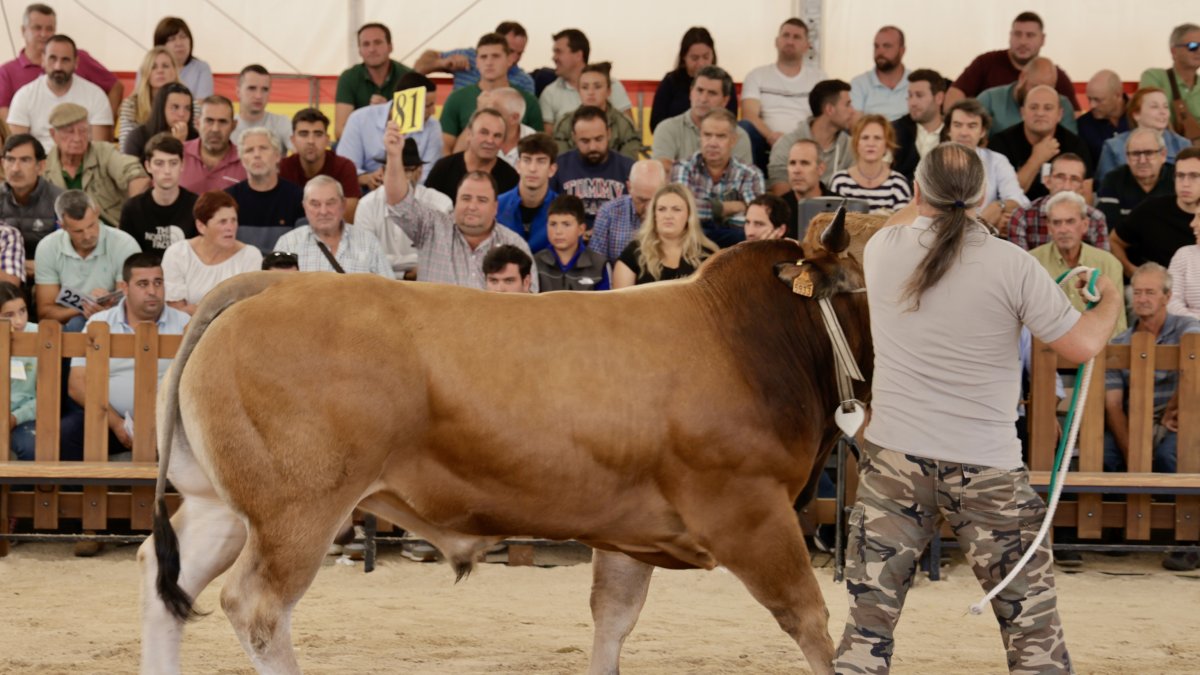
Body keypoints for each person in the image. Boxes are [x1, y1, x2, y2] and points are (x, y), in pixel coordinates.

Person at [836, 141, 1121, 674]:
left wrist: (926, 199)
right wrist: (1110, 301)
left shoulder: (884, 249)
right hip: (985, 466)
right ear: (984, 194)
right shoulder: (1011, 263)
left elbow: (908, 218)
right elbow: (1081, 346)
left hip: (896, 459)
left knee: (867, 623)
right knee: (1031, 628)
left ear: (918, 191)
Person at [1103, 262, 1200, 573]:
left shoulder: (1188, 329)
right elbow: (1113, 405)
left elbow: (1195, 363)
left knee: (1171, 453)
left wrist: (1175, 408)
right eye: (1138, 292)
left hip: (1179, 422)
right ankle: (1112, 530)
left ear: (1167, 296)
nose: (1142, 298)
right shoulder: (1119, 342)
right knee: (1103, 453)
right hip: (1134, 422)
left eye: (1150, 292)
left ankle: (1186, 541)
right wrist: (1132, 449)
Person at [62, 251, 190, 460]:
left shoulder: (184, 323)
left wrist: (162, 420)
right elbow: (77, 384)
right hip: (108, 420)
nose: (152, 291)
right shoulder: (100, 322)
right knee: (68, 432)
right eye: (142, 284)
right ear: (124, 287)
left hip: (169, 423)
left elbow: (198, 382)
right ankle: (85, 492)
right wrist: (116, 423)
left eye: (158, 283)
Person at [383, 121, 537, 290]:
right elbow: (399, 203)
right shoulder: (431, 228)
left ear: (495, 208)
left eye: (482, 200)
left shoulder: (515, 245)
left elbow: (530, 303)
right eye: (466, 198)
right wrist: (394, 155)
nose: (472, 206)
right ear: (455, 201)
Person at [34, 190, 140, 330]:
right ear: (62, 226)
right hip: (68, 326)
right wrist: (86, 307)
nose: (88, 235)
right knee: (75, 324)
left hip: (117, 322)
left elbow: (132, 302)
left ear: (97, 212)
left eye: (91, 225)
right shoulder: (48, 247)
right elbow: (45, 312)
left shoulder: (124, 244)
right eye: (78, 231)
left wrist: (107, 307)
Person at [0, 3, 122, 122]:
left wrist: (105, 126)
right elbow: (5, 119)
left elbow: (116, 87)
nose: (43, 34)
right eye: (37, 28)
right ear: (23, 30)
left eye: (49, 29)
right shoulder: (6, 72)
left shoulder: (79, 57)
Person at [1029, 190, 1126, 335]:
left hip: (1097, 351)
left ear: (1085, 224)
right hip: (1046, 350)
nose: (1063, 229)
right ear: (1049, 228)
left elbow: (1117, 324)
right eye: (1056, 222)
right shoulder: (1031, 262)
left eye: (1070, 221)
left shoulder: (1109, 263)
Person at [739, 18, 827, 171]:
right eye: (786, 35)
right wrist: (771, 136)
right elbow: (749, 115)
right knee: (744, 128)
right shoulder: (756, 75)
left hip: (806, 141)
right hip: (766, 142)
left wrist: (797, 140)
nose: (790, 41)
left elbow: (824, 118)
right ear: (776, 41)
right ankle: (751, 179)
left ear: (807, 46)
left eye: (797, 37)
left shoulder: (819, 78)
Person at [43, 102, 148, 226]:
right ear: (53, 134)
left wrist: (132, 216)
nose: (77, 138)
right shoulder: (44, 167)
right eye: (69, 132)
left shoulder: (104, 152)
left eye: (83, 131)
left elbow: (136, 175)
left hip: (111, 231)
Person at [353, 138, 445, 280]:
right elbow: (363, 257)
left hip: (426, 287)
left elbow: (440, 259)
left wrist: (386, 261)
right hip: (378, 286)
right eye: (394, 169)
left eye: (407, 170)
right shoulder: (366, 205)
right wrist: (406, 274)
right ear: (383, 172)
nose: (399, 176)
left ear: (419, 172)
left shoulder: (440, 204)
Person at [670, 108, 764, 245]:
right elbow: (682, 211)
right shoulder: (682, 168)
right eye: (707, 135)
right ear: (700, 136)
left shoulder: (750, 174)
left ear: (733, 140)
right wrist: (734, 207)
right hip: (691, 245)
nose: (712, 143)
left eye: (721, 136)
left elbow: (758, 221)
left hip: (737, 246)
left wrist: (701, 210)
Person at [944, 11, 1077, 107]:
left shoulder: (1053, 74)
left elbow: (1074, 114)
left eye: (1030, 35)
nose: (1023, 41)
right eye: (1017, 34)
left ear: (1042, 39)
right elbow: (955, 93)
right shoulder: (986, 62)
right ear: (1010, 36)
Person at [439, 33, 542, 155]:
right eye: (483, 57)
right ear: (476, 61)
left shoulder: (527, 101)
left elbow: (540, 149)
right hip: (467, 171)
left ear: (509, 60)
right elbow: (445, 149)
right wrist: (479, 113)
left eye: (496, 56)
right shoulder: (457, 98)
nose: (489, 62)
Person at [162, 190, 262, 314]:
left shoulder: (250, 256)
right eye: (223, 222)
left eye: (233, 220)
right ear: (201, 226)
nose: (230, 228)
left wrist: (195, 309)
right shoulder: (178, 253)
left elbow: (247, 310)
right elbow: (176, 311)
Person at [337, 71, 441, 189]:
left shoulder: (433, 125)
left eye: (433, 105)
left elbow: (428, 174)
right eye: (427, 106)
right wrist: (367, 178)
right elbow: (345, 167)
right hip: (366, 191)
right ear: (406, 102)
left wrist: (397, 182)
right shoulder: (360, 119)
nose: (433, 111)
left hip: (413, 192)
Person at [988, 85, 1092, 202]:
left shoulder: (1075, 145)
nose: (1040, 113)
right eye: (1033, 107)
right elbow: (1003, 195)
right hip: (1014, 214)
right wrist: (1036, 159)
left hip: (1061, 214)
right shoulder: (1001, 143)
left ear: (1059, 114)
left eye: (1048, 108)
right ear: (1022, 112)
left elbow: (1086, 195)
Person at [274, 175, 392, 277]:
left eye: (330, 203)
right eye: (315, 204)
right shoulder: (288, 243)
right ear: (304, 207)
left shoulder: (368, 242)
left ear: (343, 205)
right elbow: (275, 294)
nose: (323, 211)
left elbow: (390, 290)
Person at [6, 34, 113, 147]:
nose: (58, 67)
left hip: (83, 162)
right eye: (53, 59)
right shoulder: (24, 96)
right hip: (39, 162)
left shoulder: (96, 95)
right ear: (43, 59)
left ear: (76, 62)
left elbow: (100, 151)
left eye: (65, 60)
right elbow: (16, 148)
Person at [940, 99, 1028, 232]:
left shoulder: (997, 161)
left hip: (985, 235)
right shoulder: (934, 161)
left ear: (982, 132)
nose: (964, 133)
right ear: (948, 130)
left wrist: (999, 206)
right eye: (958, 125)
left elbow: (1019, 201)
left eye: (972, 126)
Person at [1112, 147, 1200, 276]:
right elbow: (1114, 241)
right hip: (1151, 289)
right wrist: (1132, 271)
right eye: (1180, 176)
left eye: (1194, 176)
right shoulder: (1151, 209)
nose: (1185, 183)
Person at [612, 183, 717, 288]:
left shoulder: (708, 256)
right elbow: (618, 302)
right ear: (654, 215)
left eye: (676, 209)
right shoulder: (633, 253)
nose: (668, 216)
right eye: (661, 209)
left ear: (689, 215)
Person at [651, 65, 752, 171]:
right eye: (699, 90)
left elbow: (742, 176)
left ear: (725, 101)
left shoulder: (739, 136)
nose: (703, 99)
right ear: (691, 93)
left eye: (712, 93)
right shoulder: (667, 128)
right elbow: (661, 170)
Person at [550, 106, 635, 227]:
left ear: (609, 133)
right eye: (585, 141)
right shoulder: (558, 167)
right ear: (574, 137)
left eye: (599, 139)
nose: (593, 147)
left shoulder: (628, 168)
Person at [767, 79, 854, 194]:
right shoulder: (786, 144)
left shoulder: (851, 147)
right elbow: (783, 197)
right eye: (847, 104)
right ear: (829, 109)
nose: (852, 111)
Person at [538, 28, 634, 131]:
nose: (554, 58)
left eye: (559, 52)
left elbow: (629, 131)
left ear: (578, 55)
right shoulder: (549, 94)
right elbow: (549, 143)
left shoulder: (612, 85)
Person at [225, 128, 304, 252]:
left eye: (263, 148)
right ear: (241, 160)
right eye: (249, 150)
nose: (256, 155)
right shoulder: (227, 199)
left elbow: (303, 246)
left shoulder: (298, 197)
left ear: (278, 156)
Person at [334, 23, 418, 139]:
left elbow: (414, 130)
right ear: (359, 51)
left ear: (390, 47)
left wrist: (388, 113)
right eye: (366, 44)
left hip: (400, 143)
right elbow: (340, 131)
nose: (372, 49)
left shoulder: (409, 76)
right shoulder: (348, 77)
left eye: (377, 42)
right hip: (360, 145)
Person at [1009, 153, 1108, 251]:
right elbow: (1019, 264)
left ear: (1082, 187)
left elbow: (1102, 263)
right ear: (1047, 181)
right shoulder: (1021, 216)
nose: (1066, 186)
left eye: (1074, 179)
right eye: (1060, 177)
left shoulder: (1096, 218)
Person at [119, 133, 198, 253]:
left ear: (182, 165)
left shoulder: (197, 207)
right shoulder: (132, 209)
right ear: (148, 166)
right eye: (159, 163)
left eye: (173, 163)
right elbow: (129, 259)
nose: (167, 171)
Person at [1095, 87, 1192, 184]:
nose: (1163, 112)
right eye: (1154, 107)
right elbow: (1104, 187)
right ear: (1136, 114)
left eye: (1166, 107)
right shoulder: (1114, 146)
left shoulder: (1183, 145)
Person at [649, 27, 738, 132]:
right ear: (684, 57)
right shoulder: (671, 81)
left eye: (706, 57)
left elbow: (731, 121)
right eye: (694, 58)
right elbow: (656, 124)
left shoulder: (723, 81)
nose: (701, 63)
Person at [279, 108, 361, 222]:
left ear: (328, 140)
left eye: (318, 134)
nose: (311, 141)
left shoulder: (344, 167)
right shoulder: (281, 168)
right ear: (293, 140)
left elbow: (349, 216)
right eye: (304, 134)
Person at [413, 21, 535, 95]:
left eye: (520, 54)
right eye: (510, 51)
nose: (514, 58)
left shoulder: (524, 81)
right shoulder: (466, 57)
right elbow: (418, 68)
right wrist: (443, 62)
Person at [425, 108, 518, 204]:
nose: (490, 140)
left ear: (503, 142)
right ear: (469, 134)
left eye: (497, 135)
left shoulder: (510, 178)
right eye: (484, 132)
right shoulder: (444, 168)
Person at [1097, 127, 1175, 235]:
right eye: (1135, 154)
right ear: (1127, 158)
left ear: (1163, 155)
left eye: (1149, 153)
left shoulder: (1178, 178)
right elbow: (1109, 231)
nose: (1142, 160)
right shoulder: (1113, 180)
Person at [0, 133, 61, 272]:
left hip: (48, 279)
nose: (15, 168)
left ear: (41, 166)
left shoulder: (59, 201)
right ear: (3, 163)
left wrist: (17, 265)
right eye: (10, 159)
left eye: (25, 160)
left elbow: (67, 257)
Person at [553, 64, 640, 160]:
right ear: (579, 91)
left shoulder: (623, 124)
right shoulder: (565, 123)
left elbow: (629, 165)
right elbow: (561, 163)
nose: (590, 92)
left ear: (608, 91)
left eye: (597, 87)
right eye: (585, 87)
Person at [828, 114, 912, 213]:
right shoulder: (840, 182)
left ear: (887, 144)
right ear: (856, 143)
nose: (871, 144)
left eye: (877, 138)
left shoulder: (898, 184)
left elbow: (902, 225)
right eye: (865, 137)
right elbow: (831, 222)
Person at [588, 159, 667, 264]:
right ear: (629, 187)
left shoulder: (676, 214)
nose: (648, 208)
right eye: (642, 200)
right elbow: (596, 265)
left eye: (654, 199)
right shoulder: (608, 212)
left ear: (665, 187)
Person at [977, 57, 1078, 136]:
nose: (1040, 95)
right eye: (1036, 86)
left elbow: (1070, 146)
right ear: (1022, 77)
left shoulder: (1062, 104)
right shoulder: (990, 99)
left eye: (1048, 89)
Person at [495, 133, 558, 253]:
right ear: (518, 165)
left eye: (541, 161)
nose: (532, 168)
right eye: (527, 160)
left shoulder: (564, 210)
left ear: (552, 169)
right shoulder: (496, 206)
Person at [534, 194, 608, 291]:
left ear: (581, 229)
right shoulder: (535, 263)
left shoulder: (599, 265)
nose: (558, 231)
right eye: (553, 224)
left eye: (566, 224)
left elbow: (606, 304)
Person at [1139, 23, 1200, 137]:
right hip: (1164, 148)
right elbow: (1150, 120)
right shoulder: (1155, 77)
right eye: (1193, 46)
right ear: (1174, 52)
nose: (1198, 51)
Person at [117, 46, 180, 151]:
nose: (160, 71)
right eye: (153, 67)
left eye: (165, 66)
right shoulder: (131, 105)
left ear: (174, 71)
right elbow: (126, 150)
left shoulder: (190, 104)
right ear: (145, 73)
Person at [180, 95, 246, 194]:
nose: (215, 129)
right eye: (209, 121)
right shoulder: (178, 153)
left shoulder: (247, 161)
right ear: (197, 123)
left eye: (223, 122)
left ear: (233, 126)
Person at [1, 281, 37, 460]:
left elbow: (48, 397)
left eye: (22, 310)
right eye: (8, 315)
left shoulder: (41, 336)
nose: (19, 321)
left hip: (26, 416)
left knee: (30, 446)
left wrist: (15, 417)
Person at [890, 68, 946, 181]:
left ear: (939, 98)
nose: (912, 103)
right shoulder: (893, 131)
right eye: (910, 96)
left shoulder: (954, 133)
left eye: (919, 96)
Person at [121, 81, 196, 161]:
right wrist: (177, 144)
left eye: (187, 108)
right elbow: (130, 172)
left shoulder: (195, 138)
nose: (182, 114)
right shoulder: (137, 137)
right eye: (175, 107)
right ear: (161, 109)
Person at [849, 26, 909, 121]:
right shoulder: (859, 84)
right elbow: (855, 126)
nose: (880, 51)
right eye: (876, 46)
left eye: (887, 46)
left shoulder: (915, 83)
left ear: (902, 50)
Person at [230, 65, 293, 153]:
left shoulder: (281, 122)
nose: (258, 96)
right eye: (252, 88)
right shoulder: (227, 126)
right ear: (238, 92)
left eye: (265, 89)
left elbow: (302, 155)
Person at [150, 17, 213, 100]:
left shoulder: (201, 68)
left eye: (183, 37)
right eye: (172, 39)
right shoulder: (148, 67)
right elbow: (141, 99)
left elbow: (203, 104)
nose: (179, 43)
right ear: (160, 45)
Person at [779, 138, 832, 238]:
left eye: (804, 163)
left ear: (820, 169)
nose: (796, 170)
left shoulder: (839, 207)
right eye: (792, 163)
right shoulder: (777, 208)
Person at [1076, 70, 1129, 163]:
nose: (1092, 105)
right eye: (1089, 99)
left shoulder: (1141, 116)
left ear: (1118, 95)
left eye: (1098, 100)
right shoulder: (1083, 125)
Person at [1167, 212, 1200, 319]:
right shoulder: (1184, 255)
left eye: (1199, 217)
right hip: (1191, 330)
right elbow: (1171, 302)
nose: (1192, 223)